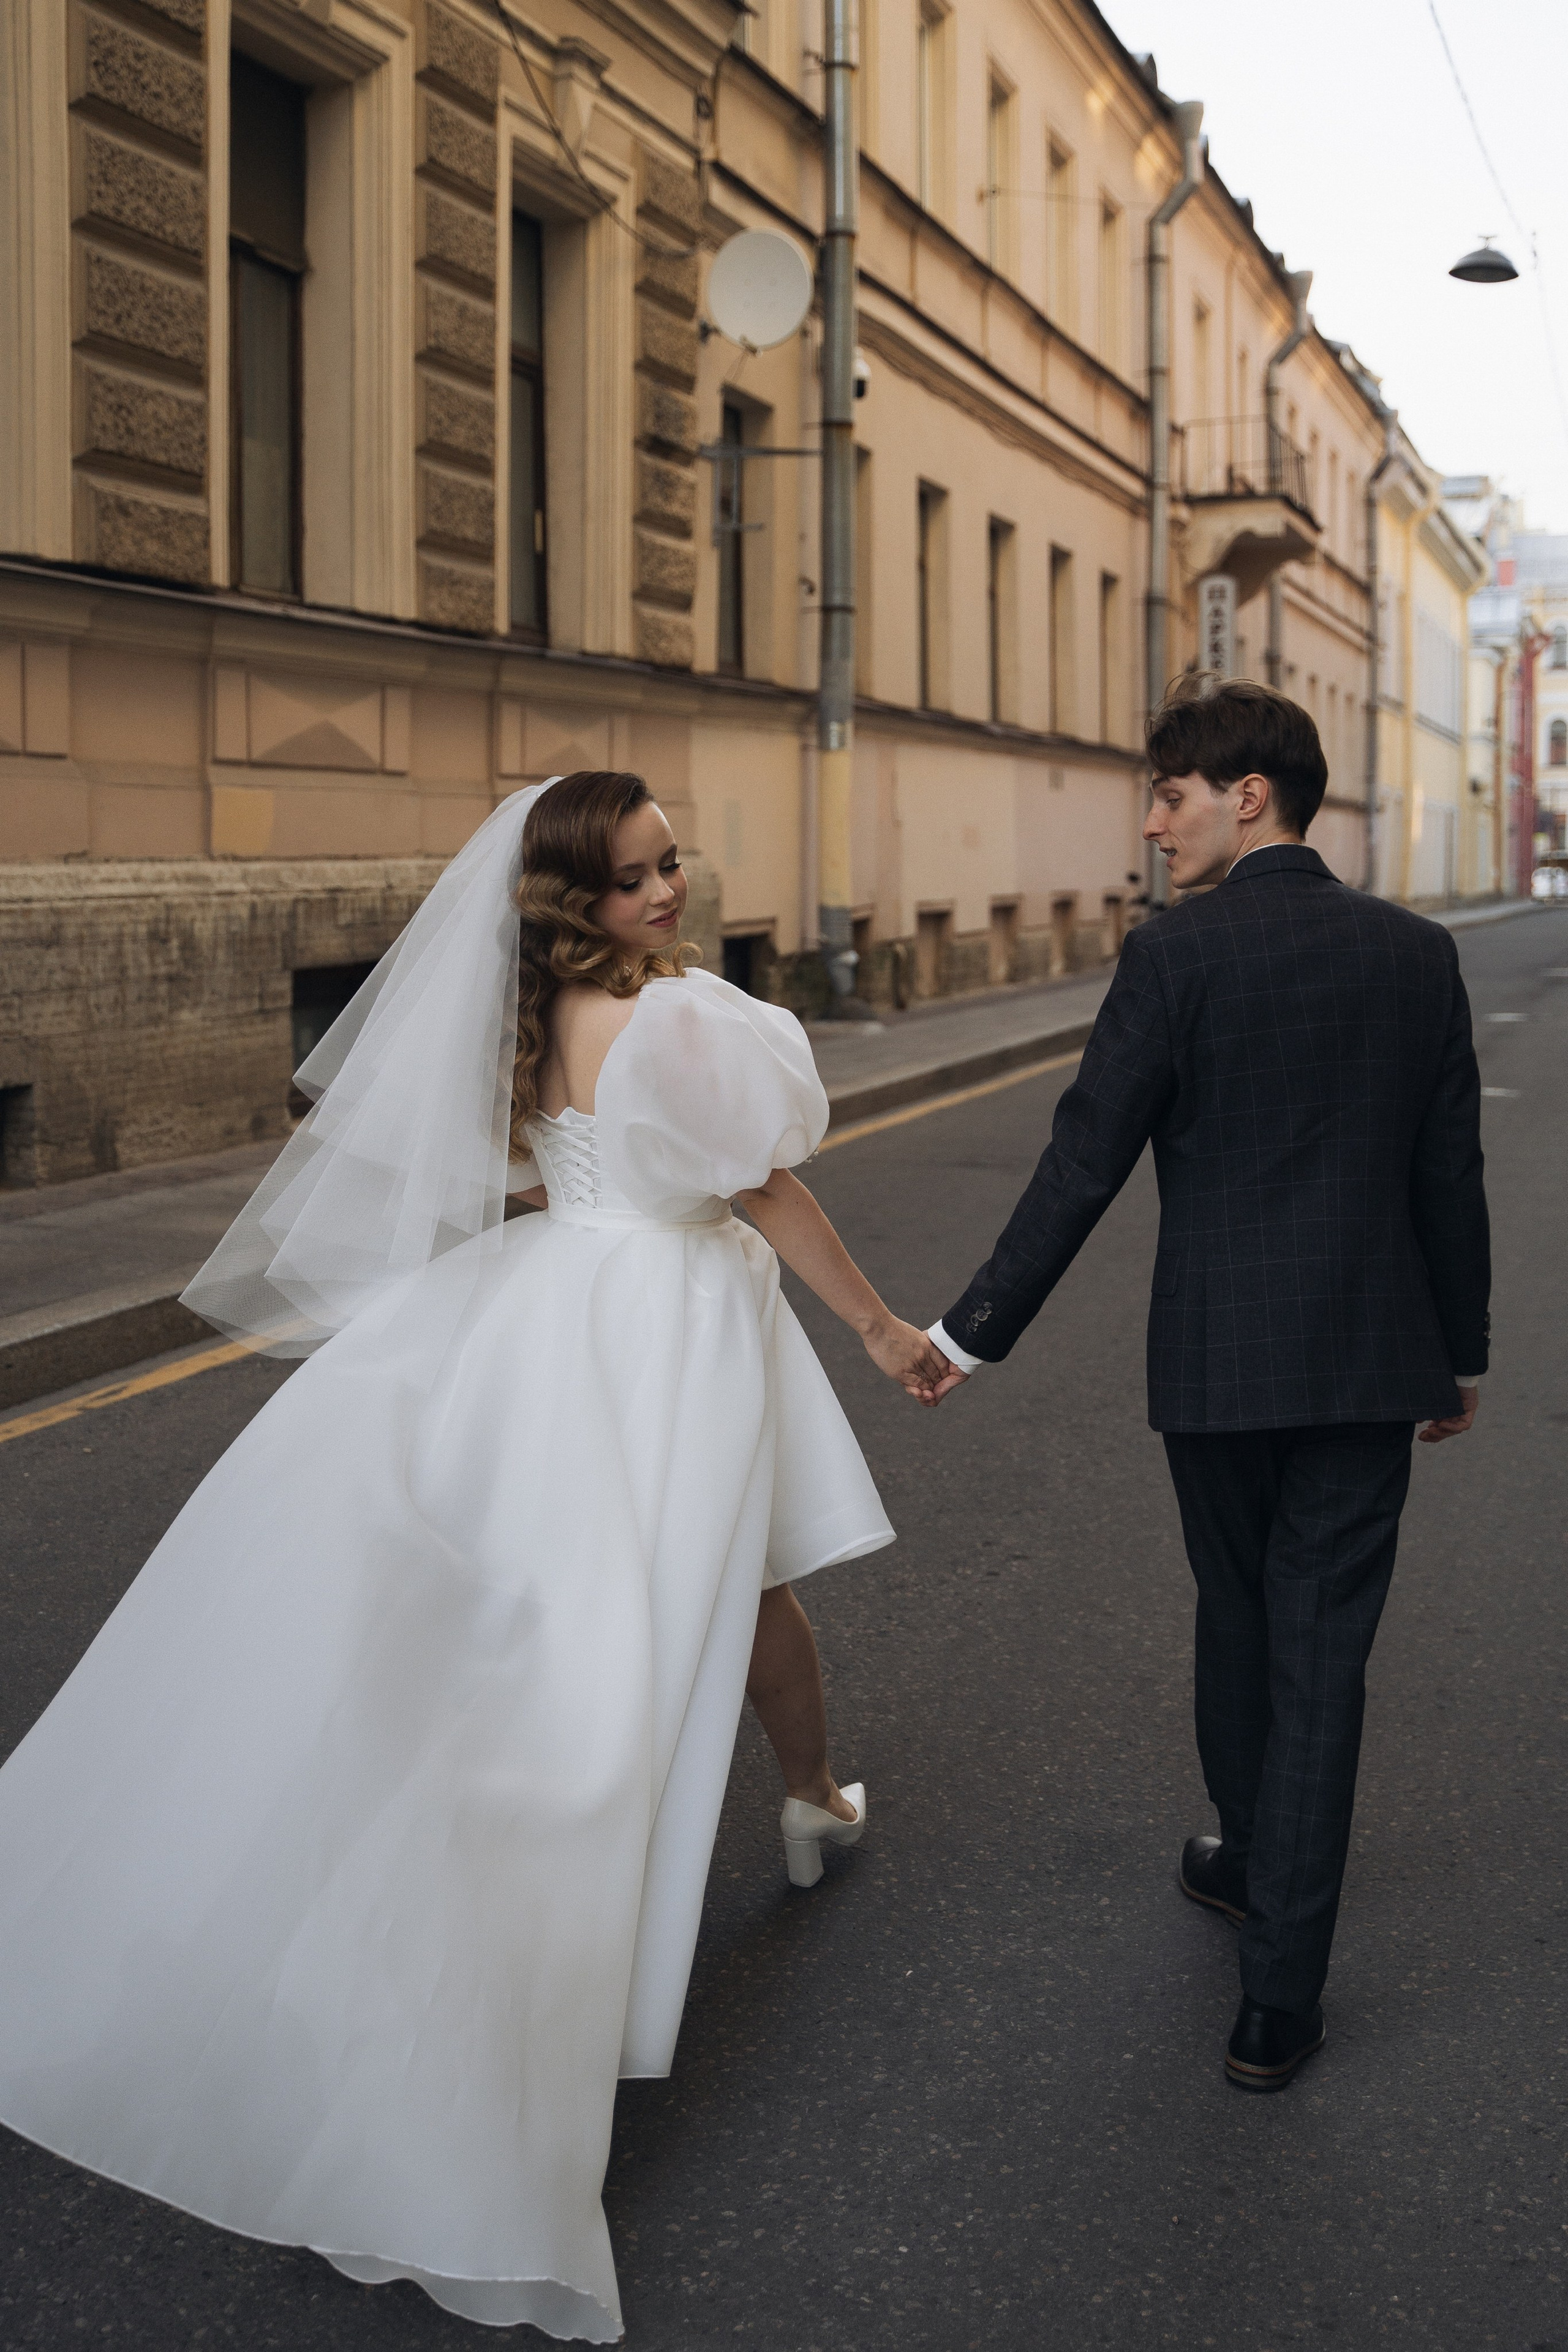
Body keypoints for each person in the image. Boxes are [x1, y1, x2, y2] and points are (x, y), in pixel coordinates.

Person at [0, 771, 946, 2339]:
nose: (670, 889)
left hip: (546, 1311)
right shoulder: (683, 1021)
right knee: (711, 1594)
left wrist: (568, 1186)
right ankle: (783, 1812)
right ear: (582, 899)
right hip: (667, 1327)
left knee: (572, 1599)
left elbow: (516, 1169)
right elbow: (763, 1185)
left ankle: (802, 1796)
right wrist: (876, 1327)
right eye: (639, 877)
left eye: (670, 864)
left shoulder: (518, 1016)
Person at [923, 676, 1490, 2093]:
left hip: (1217, 1371)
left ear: (1247, 795)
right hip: (1368, 1363)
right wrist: (1455, 1350)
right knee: (1321, 1658)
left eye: (1168, 796)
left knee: (1239, 1621)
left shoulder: (1173, 961)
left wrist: (967, 1332)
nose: (1152, 825)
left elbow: (1082, 1161)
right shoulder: (1414, 956)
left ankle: (1247, 1866)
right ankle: (1273, 2002)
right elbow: (1447, 1180)